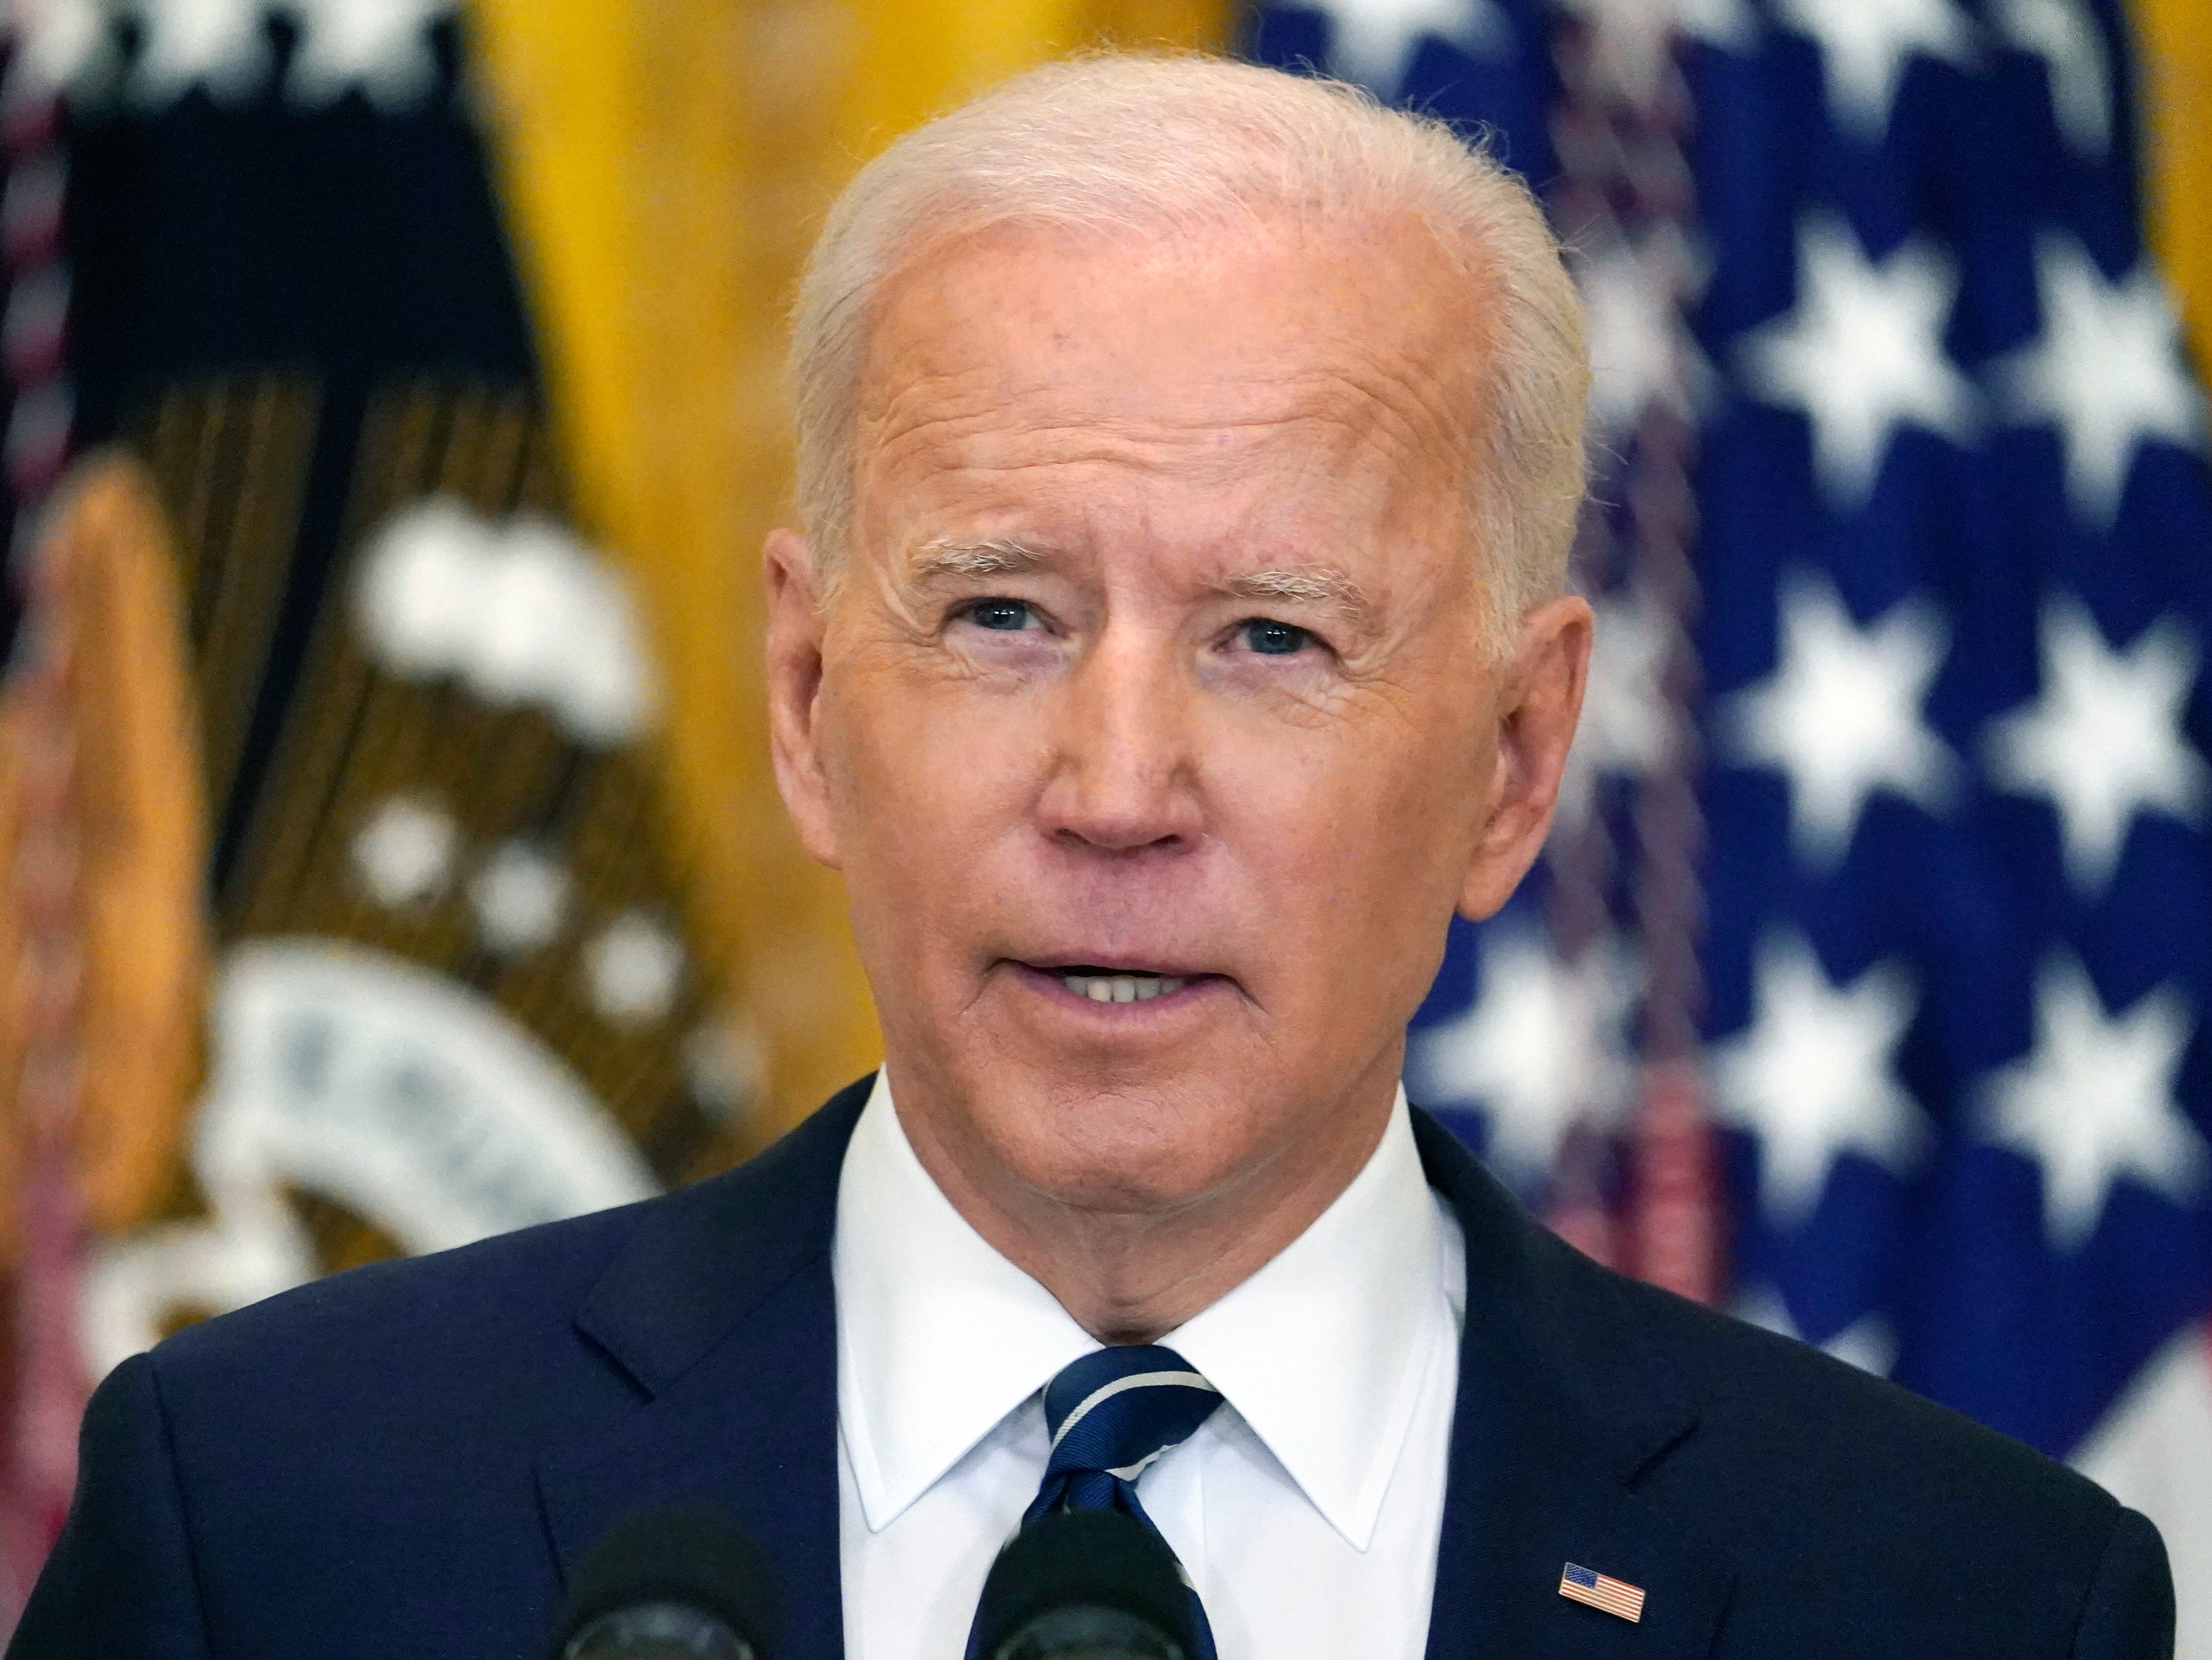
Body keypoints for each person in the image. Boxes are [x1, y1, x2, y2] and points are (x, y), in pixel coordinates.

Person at [11, 54, 2172, 1660]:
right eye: (1001, 615)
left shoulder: (1952, 1600)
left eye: (1269, 637)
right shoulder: (282, 1522)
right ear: (804, 696)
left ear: (1516, 762)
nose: (1116, 784)